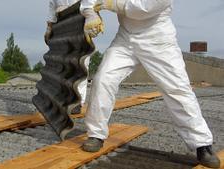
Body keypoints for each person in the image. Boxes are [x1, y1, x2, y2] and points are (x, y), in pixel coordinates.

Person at [79, 0, 220, 168]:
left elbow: (144, 8)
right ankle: (96, 134)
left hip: (158, 39)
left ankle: (202, 144)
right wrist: (90, 13)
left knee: (177, 90)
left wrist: (112, 4)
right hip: (125, 39)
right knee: (103, 79)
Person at [45, 0, 90, 114]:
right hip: (61, 27)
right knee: (62, 64)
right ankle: (62, 99)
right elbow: (52, 9)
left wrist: (93, 17)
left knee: (80, 64)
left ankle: (78, 102)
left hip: (80, 26)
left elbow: (91, 5)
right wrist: (49, 28)